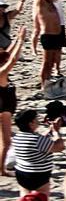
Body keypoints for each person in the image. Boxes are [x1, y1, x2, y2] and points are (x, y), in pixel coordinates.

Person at [12, 107, 64, 195]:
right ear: (31, 123)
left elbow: (40, 142)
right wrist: (56, 132)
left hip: (22, 173)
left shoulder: (17, 137)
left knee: (25, 200)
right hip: (38, 175)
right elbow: (60, 147)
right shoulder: (37, 139)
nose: (38, 120)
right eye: (36, 118)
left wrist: (50, 130)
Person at [0, 26, 28, 177]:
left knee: (7, 139)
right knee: (6, 143)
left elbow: (7, 54)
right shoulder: (1, 73)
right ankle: (2, 170)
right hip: (3, 111)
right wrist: (22, 41)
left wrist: (17, 39)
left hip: (4, 108)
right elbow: (12, 59)